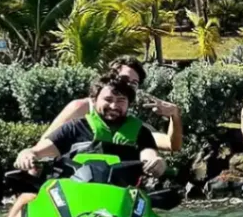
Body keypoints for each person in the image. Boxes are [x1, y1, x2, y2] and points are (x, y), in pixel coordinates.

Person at [0, 75, 166, 217]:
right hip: (72, 200)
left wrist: (158, 163)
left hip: (121, 203)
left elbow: (149, 155)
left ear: (129, 104)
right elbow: (39, 150)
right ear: (94, 101)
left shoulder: (140, 132)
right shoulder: (74, 128)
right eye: (108, 99)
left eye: (121, 100)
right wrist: (27, 154)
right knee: (23, 215)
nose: (114, 106)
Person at [47, 56, 181, 153]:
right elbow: (46, 145)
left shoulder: (130, 122)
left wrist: (174, 115)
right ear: (110, 76)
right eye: (124, 79)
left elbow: (171, 144)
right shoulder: (81, 108)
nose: (128, 85)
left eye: (134, 83)